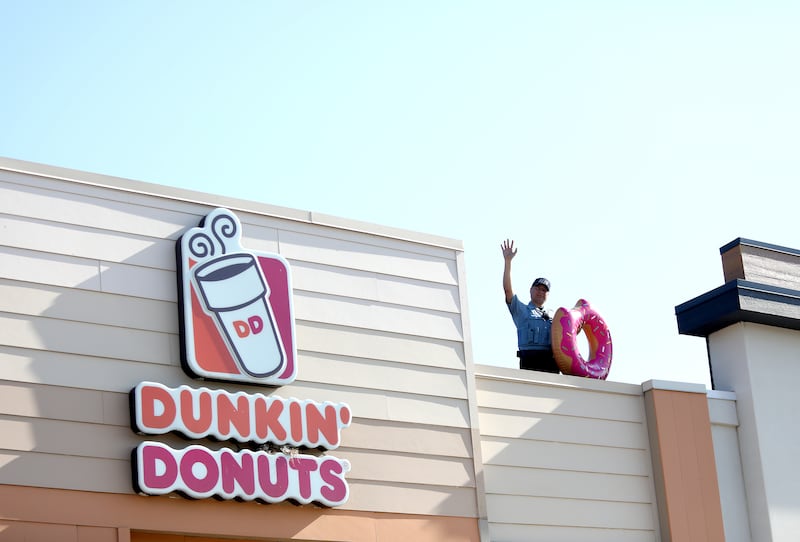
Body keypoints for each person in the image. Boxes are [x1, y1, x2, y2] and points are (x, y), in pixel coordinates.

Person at [501, 239, 560, 373]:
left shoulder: (555, 316)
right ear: (531, 290)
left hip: (551, 362)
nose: (540, 292)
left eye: (544, 290)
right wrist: (508, 262)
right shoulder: (521, 310)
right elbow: (508, 291)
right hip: (530, 360)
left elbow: (566, 335)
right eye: (537, 288)